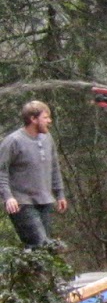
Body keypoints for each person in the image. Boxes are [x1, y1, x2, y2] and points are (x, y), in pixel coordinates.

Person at [0, 100, 68, 247]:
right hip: (22, 203)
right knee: (40, 244)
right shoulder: (13, 141)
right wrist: (8, 197)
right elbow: (1, 171)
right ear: (33, 119)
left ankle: (28, 262)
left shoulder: (47, 138)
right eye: (46, 117)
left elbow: (54, 167)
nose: (49, 121)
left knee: (44, 249)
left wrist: (60, 193)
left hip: (45, 201)